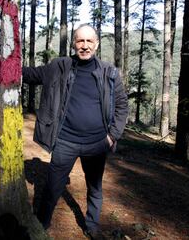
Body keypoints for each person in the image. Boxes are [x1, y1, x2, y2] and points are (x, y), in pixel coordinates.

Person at [22, 24, 128, 239]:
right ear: (73, 43)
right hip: (65, 141)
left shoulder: (109, 73)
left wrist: (112, 136)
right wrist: (0, 65)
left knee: (95, 188)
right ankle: (42, 224)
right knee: (53, 186)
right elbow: (32, 74)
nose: (85, 46)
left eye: (89, 41)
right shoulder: (60, 66)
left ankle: (92, 226)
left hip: (97, 143)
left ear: (97, 44)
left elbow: (122, 106)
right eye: (80, 41)